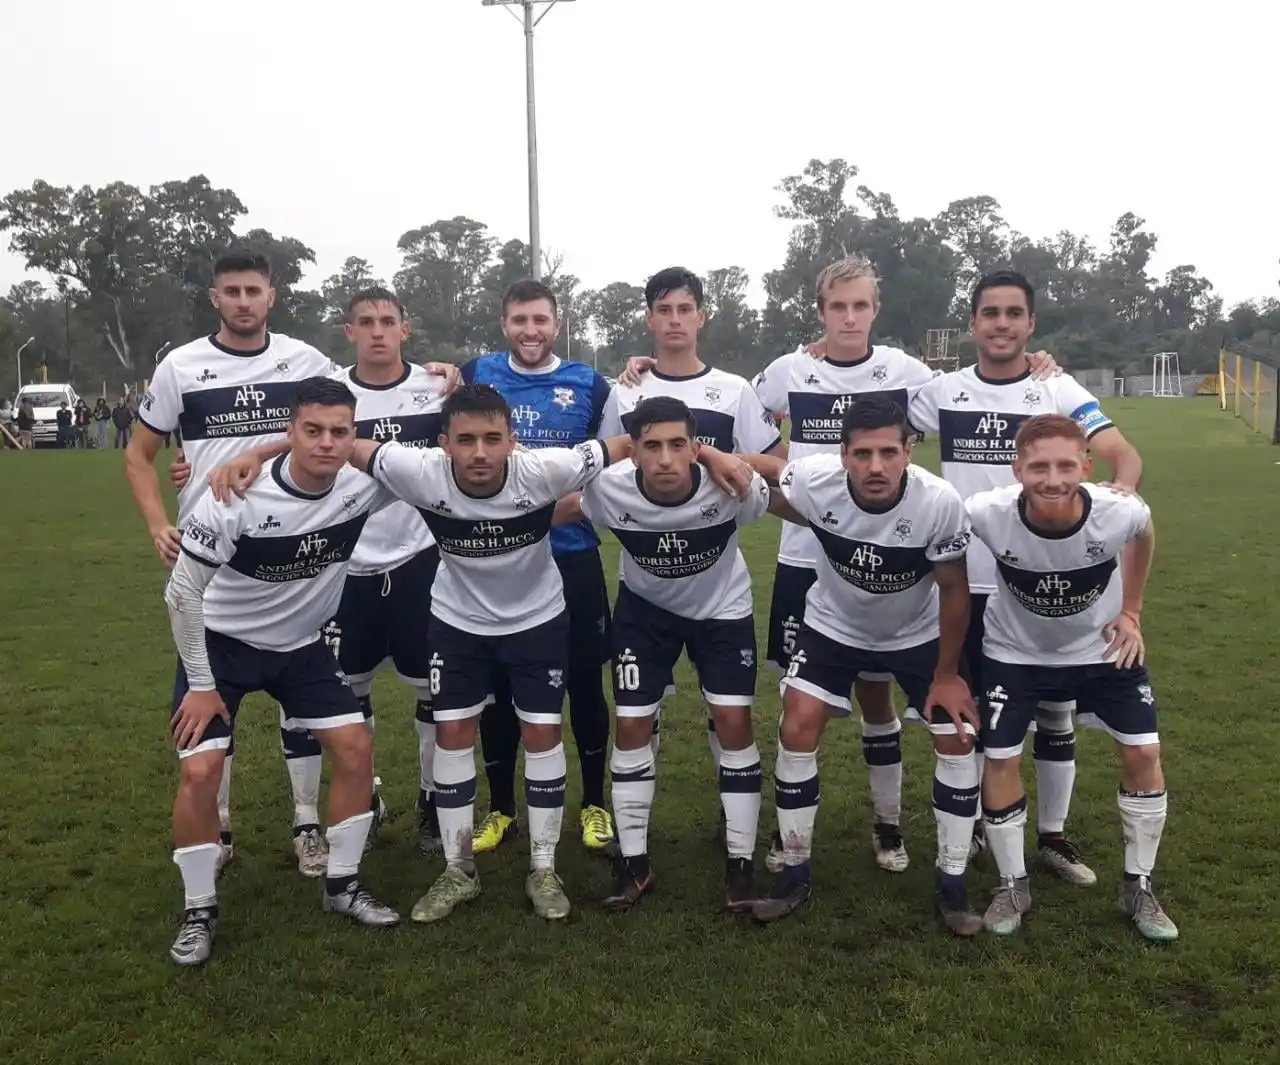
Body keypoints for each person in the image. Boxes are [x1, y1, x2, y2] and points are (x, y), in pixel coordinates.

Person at [352, 383, 749, 923]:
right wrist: (260, 457)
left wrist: (712, 451)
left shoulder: (547, 469)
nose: (480, 453)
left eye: (494, 438)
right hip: (456, 622)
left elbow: (629, 444)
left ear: (514, 441)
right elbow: (341, 445)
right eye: (465, 440)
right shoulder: (415, 470)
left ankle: (543, 868)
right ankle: (457, 868)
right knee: (452, 735)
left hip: (536, 621)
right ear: (442, 443)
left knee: (542, 734)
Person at [129, 249, 459, 876]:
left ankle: (364, 814)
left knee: (387, 697)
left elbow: (332, 426)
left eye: (256, 289)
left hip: (373, 560)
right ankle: (243, 828)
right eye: (234, 290)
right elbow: (298, 425)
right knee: (244, 718)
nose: (245, 300)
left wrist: (453, 373)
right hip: (242, 548)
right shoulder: (192, 366)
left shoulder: (388, 378)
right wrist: (186, 499)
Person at [909, 269, 1143, 888]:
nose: (1003, 324)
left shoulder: (1056, 387)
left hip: (1048, 580)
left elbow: (1124, 455)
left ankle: (1053, 838)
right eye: (991, 313)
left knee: (1059, 713)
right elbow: (875, 420)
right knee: (985, 714)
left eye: (1014, 313)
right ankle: (991, 822)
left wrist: (1118, 504)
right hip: (972, 581)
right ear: (974, 324)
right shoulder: (943, 391)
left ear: (1030, 324)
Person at [162, 378, 401, 967]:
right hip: (222, 647)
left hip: (303, 648)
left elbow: (437, 461)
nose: (325, 443)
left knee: (355, 748)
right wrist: (199, 683)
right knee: (200, 771)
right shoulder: (234, 497)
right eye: (311, 430)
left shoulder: (364, 487)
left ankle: (342, 886)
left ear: (355, 436)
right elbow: (181, 595)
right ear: (288, 431)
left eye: (339, 432)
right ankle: (199, 911)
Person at [741, 396, 979, 930]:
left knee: (957, 735)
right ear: (843, 454)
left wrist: (946, 675)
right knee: (797, 722)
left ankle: (953, 884)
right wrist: (710, 456)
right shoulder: (815, 479)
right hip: (834, 625)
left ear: (909, 452)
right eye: (863, 454)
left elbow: (954, 590)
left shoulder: (938, 502)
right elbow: (764, 468)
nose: (877, 467)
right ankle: (793, 872)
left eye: (889, 453)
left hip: (914, 634)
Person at [553, 396, 776, 912]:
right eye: (652, 446)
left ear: (696, 447)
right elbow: (555, 509)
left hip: (722, 612)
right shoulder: (608, 491)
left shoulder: (733, 487)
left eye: (679, 445)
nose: (666, 459)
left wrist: (737, 461)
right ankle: (635, 865)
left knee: (733, 721)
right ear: (632, 452)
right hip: (644, 614)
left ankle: (740, 865)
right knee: (631, 726)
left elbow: (790, 498)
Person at [966, 413, 1175, 940]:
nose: (1053, 479)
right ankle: (1013, 883)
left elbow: (1145, 533)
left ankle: (1139, 886)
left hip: (1101, 652)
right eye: (1039, 466)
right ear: (1017, 469)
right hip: (1014, 653)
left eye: (1065, 465)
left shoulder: (1118, 511)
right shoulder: (986, 513)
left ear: (1086, 464)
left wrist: (1132, 610)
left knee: (1144, 753)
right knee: (1000, 757)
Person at [601, 266, 785, 780]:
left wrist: (719, 456)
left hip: (714, 572)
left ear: (702, 316)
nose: (675, 320)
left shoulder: (734, 390)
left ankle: (733, 810)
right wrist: (703, 451)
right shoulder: (626, 391)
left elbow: (777, 463)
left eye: (685, 309)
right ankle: (635, 815)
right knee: (639, 709)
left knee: (725, 707)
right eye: (664, 310)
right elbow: (611, 464)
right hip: (644, 577)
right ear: (649, 319)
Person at [460, 279, 617, 857]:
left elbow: (609, 471)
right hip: (498, 561)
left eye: (541, 320)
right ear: (505, 324)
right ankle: (502, 809)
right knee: (498, 685)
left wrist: (543, 514)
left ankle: (594, 803)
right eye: (520, 320)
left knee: (582, 682)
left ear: (557, 324)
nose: (531, 331)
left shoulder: (589, 384)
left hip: (571, 553)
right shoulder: (475, 372)